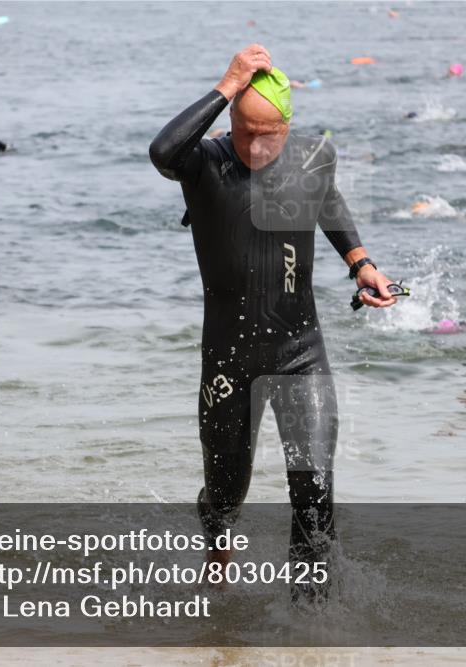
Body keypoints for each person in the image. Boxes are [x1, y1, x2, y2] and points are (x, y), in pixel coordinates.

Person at [149, 44, 397, 600]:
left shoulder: (314, 158)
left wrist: (361, 264)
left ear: (288, 125)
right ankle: (216, 539)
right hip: (228, 362)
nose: (258, 146)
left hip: (300, 352)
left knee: (313, 487)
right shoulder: (205, 163)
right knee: (225, 493)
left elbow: (327, 200)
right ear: (231, 117)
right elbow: (163, 151)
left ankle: (308, 622)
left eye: (271, 134)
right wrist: (227, 82)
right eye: (246, 132)